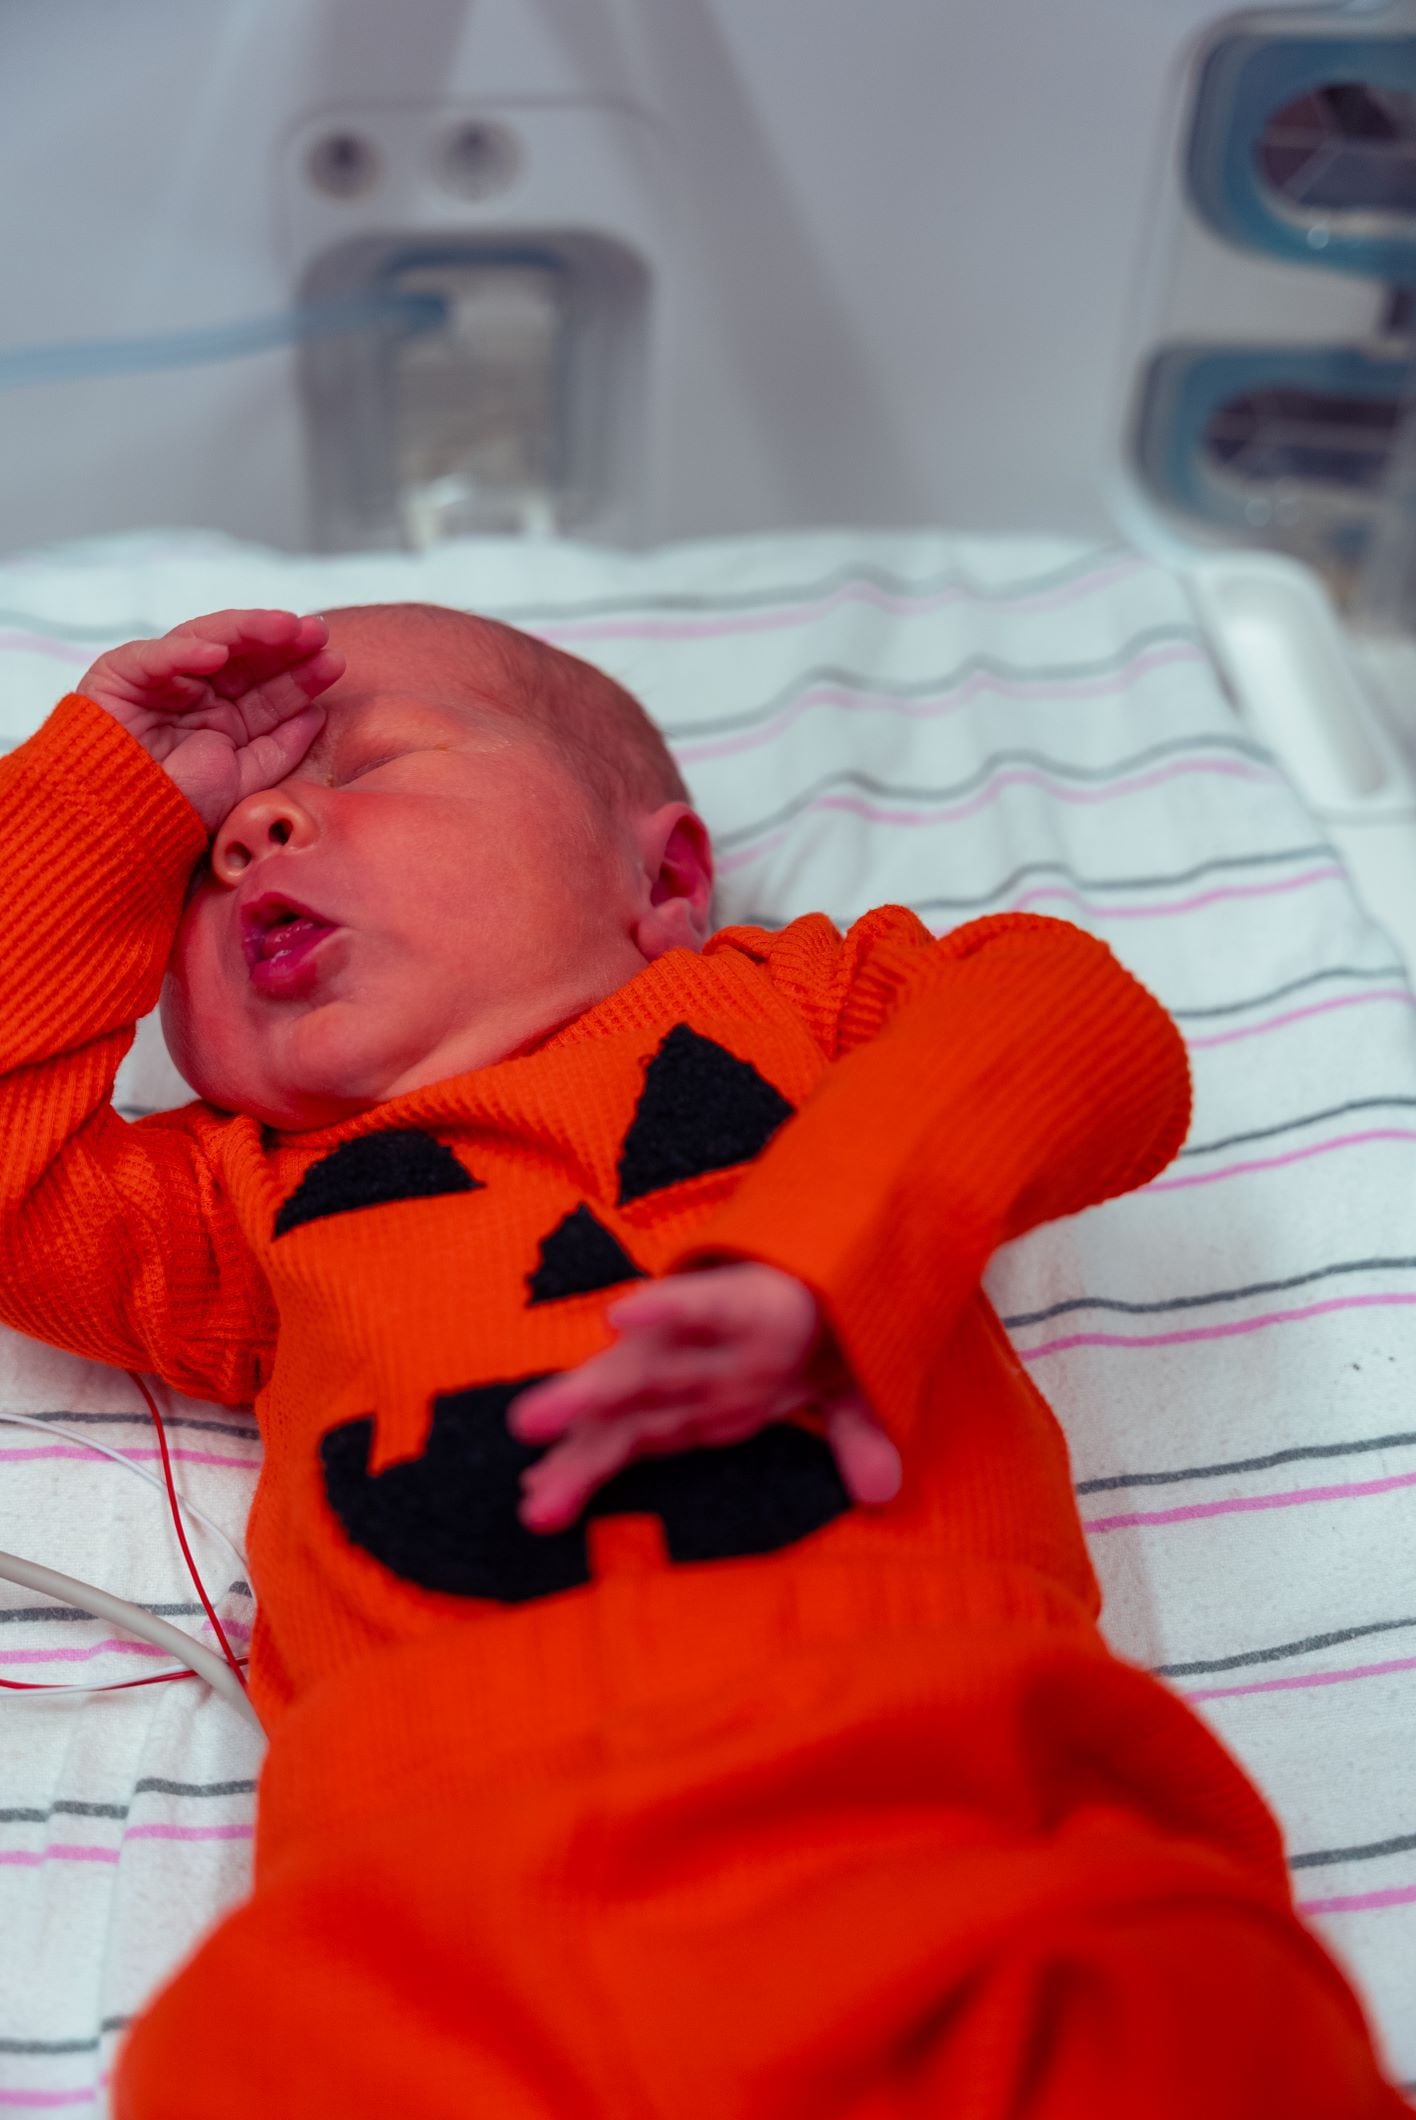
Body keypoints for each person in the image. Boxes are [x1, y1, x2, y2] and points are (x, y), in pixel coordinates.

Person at [0, 603, 1402, 2118]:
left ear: (661, 880)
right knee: (232, 2055)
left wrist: (837, 1249)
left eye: (368, 761)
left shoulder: (792, 1010)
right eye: (197, 851)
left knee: (1185, 2021)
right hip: (433, 1884)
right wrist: (100, 808)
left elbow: (1069, 1011)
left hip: (939, 1786)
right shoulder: (232, 1203)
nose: (250, 828)